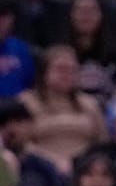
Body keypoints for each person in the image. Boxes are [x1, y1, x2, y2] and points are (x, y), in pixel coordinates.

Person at [20, 44, 107, 174]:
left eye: (73, 70)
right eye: (61, 69)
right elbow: (20, 144)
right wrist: (52, 161)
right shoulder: (26, 102)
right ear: (44, 72)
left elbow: (102, 142)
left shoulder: (90, 104)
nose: (67, 75)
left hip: (85, 170)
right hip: (39, 168)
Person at [0, 0, 33, 99]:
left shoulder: (20, 48)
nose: (2, 22)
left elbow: (30, 84)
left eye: (5, 16)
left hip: (17, 109)